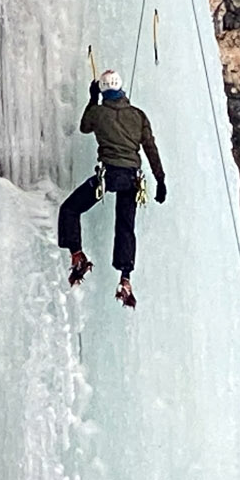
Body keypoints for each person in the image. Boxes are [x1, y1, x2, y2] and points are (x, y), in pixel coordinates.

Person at [57, 68, 167, 307]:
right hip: (132, 179)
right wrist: (160, 180)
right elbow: (150, 149)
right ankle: (125, 278)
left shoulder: (97, 113)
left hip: (109, 176)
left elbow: (85, 127)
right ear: (121, 88)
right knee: (125, 226)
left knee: (70, 209)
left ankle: (77, 255)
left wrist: (92, 98)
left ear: (103, 90)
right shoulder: (138, 116)